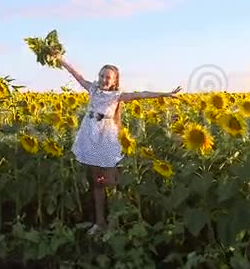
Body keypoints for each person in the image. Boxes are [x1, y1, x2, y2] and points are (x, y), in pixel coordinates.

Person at [54, 55, 182, 235]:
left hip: (106, 137)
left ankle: (115, 222)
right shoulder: (92, 89)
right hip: (90, 136)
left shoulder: (117, 95)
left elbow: (142, 94)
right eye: (102, 76)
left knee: (110, 182)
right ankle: (100, 223)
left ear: (114, 81)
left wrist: (165, 94)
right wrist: (60, 59)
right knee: (97, 182)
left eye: (108, 77)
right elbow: (76, 74)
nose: (103, 80)